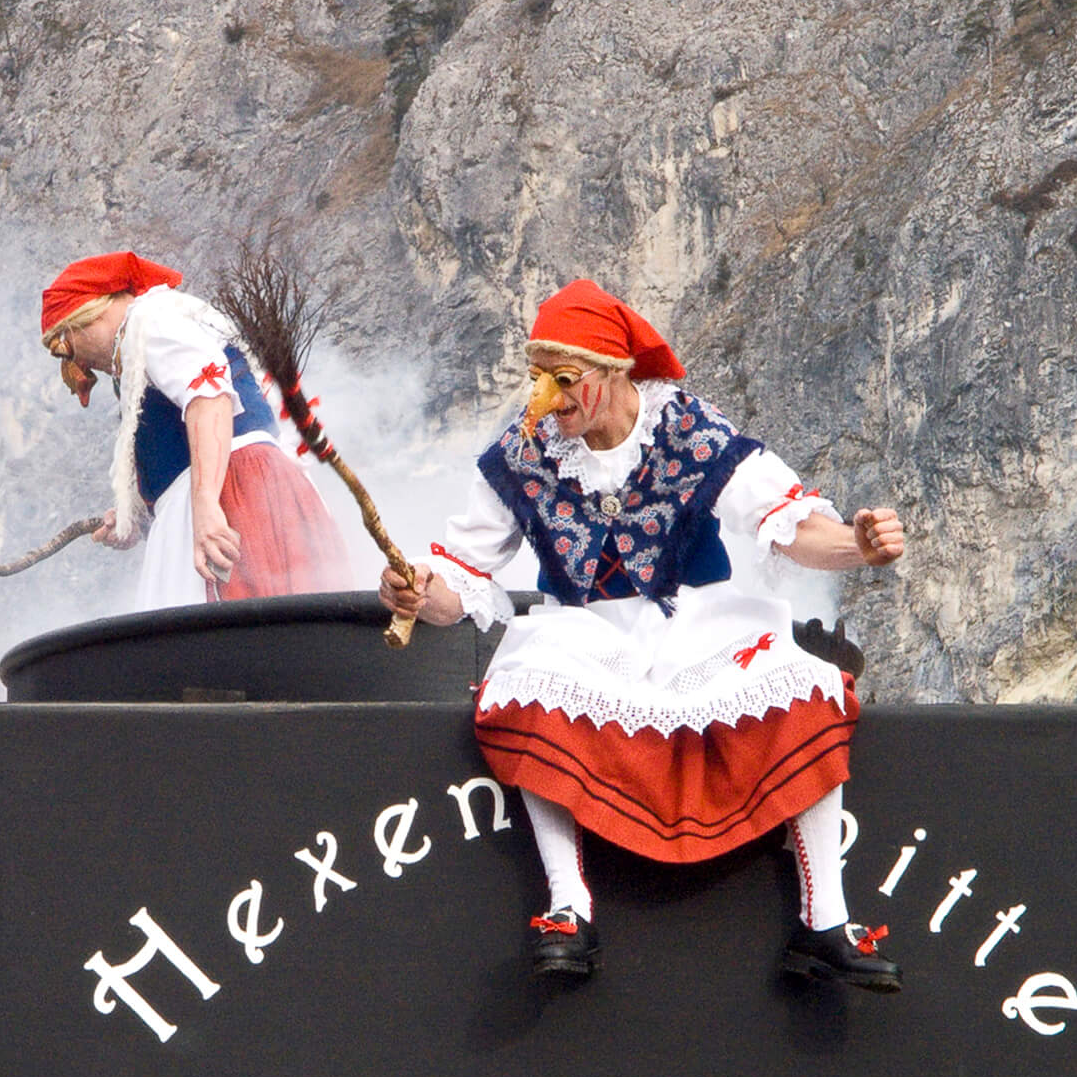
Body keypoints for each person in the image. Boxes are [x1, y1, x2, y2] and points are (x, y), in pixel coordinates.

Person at [379, 279, 906, 991]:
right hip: (588, 638)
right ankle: (568, 907)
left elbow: (787, 523)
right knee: (526, 681)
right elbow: (461, 579)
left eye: (565, 379)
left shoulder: (687, 429)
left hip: (701, 626)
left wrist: (857, 546)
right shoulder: (527, 451)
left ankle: (825, 921)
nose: (548, 398)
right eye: (538, 378)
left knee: (805, 686)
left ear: (614, 371)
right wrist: (415, 588)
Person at [41, 251, 353, 610]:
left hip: (235, 491)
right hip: (240, 488)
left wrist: (206, 506)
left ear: (88, 315)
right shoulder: (148, 337)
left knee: (237, 625)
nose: (77, 364)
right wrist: (135, 518)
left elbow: (210, 397)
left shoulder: (151, 321)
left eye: (63, 348)